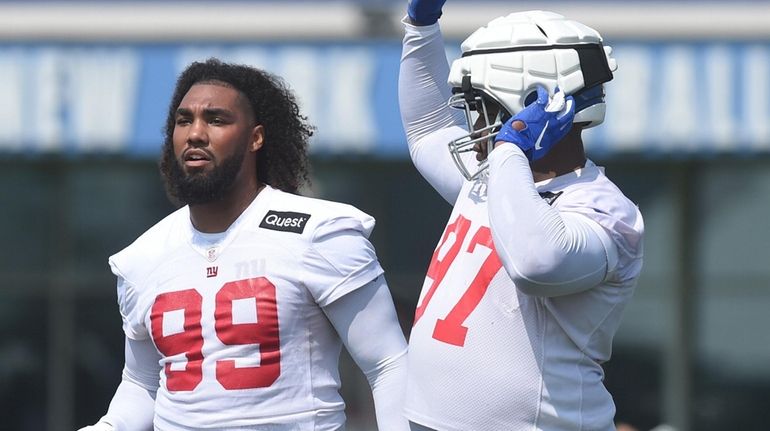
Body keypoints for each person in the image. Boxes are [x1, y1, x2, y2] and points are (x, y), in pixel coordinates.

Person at [78, 58, 409, 431]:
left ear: (256, 137)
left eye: (216, 119)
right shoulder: (141, 258)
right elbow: (142, 384)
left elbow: (388, 363)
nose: (195, 134)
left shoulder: (318, 233)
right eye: (184, 120)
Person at [399, 2, 644, 430]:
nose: (472, 122)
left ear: (531, 104)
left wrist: (510, 146)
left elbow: (534, 263)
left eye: (480, 105)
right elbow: (428, 129)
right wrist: (421, 27)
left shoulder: (607, 210)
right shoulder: (494, 176)